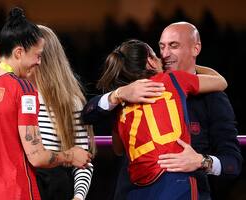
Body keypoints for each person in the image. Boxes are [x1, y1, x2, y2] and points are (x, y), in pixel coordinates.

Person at [82, 22, 242, 200]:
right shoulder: (129, 93)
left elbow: (233, 163)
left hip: (182, 189)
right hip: (134, 192)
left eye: (174, 46)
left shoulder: (213, 99)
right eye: (161, 47)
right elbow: (87, 113)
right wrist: (118, 94)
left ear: (195, 49)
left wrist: (202, 161)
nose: (165, 55)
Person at [0, 7, 91, 200]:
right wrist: (71, 155)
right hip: (15, 191)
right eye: (37, 55)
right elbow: (36, 156)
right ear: (19, 52)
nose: (39, 62)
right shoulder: (23, 89)